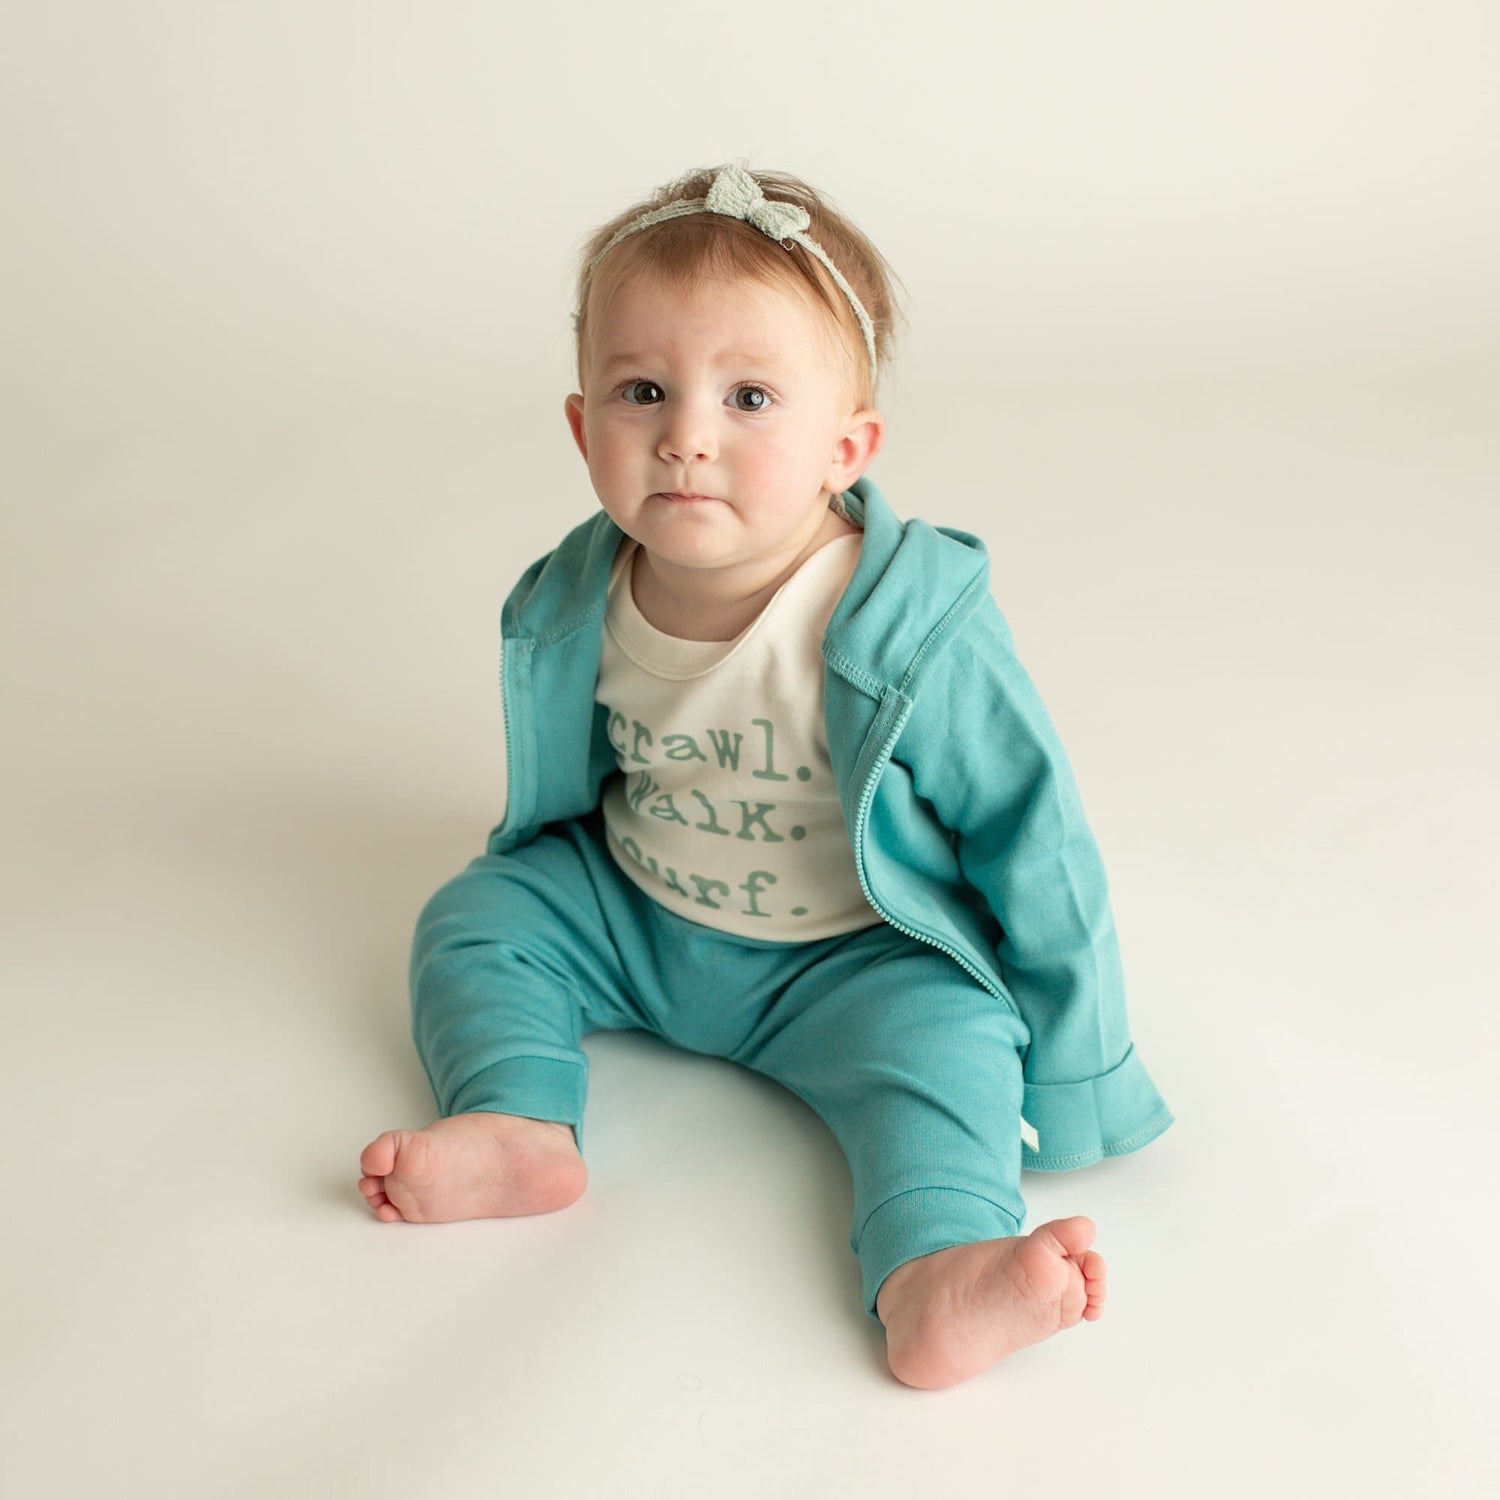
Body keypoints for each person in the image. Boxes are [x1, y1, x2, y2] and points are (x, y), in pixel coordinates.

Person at [358, 163, 1173, 1389]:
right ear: (582, 429)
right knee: (478, 916)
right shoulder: (580, 592)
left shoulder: (906, 627)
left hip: (852, 960)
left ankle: (937, 1270)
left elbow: (1034, 835)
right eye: (643, 391)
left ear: (847, 448)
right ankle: (517, 1120)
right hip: (636, 911)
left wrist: (1081, 1066)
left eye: (749, 397)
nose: (686, 435)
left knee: (956, 1045)